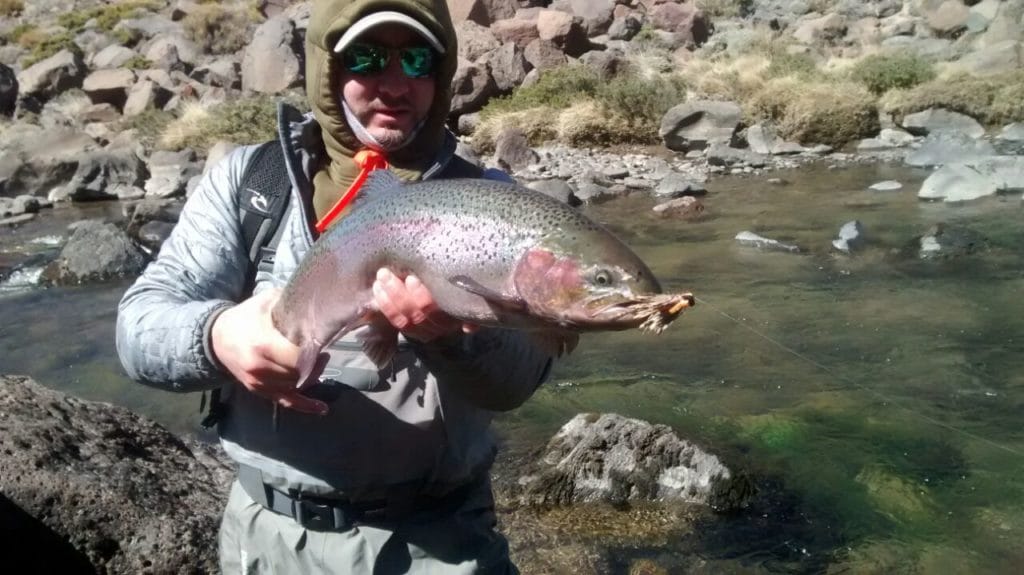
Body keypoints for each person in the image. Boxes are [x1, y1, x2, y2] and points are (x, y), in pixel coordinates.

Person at [115, 0, 553, 572]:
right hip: (265, 543)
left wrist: (451, 338)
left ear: (441, 74)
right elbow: (138, 327)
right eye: (367, 57)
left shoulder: (492, 201)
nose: (394, 84)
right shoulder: (253, 184)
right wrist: (216, 335)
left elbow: (519, 380)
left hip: (438, 547)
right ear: (327, 68)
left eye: (416, 59)